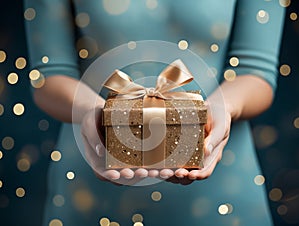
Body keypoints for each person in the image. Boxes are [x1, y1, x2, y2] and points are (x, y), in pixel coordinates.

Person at [24, 0, 285, 225]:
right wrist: (94, 112)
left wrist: (219, 110)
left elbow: (256, 71)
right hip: (91, 195)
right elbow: (49, 76)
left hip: (226, 199)